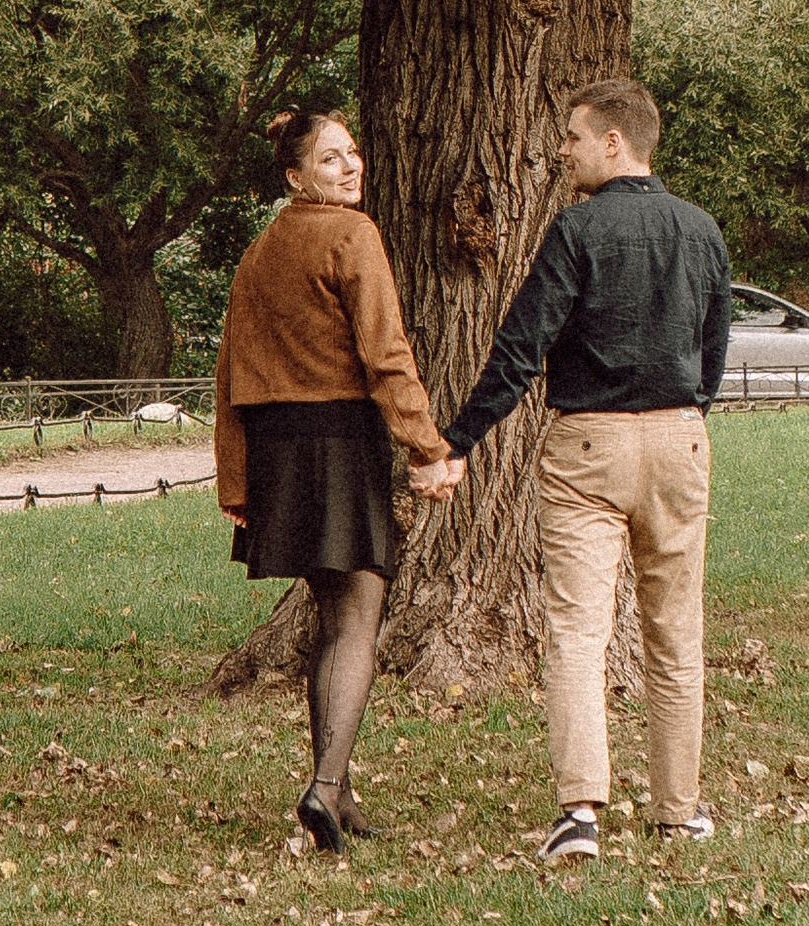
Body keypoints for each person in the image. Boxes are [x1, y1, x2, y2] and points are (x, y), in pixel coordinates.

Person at [409, 76, 729, 862]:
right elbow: (713, 352)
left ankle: (580, 812)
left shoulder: (577, 231)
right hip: (682, 438)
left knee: (580, 631)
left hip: (588, 447)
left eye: (574, 136)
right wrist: (685, 414)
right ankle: (678, 812)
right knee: (674, 632)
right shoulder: (702, 231)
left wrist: (457, 442)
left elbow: (521, 348)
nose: (562, 149)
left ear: (614, 143)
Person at [215, 106, 451, 852]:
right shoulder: (354, 235)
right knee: (359, 617)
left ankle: (339, 790)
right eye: (329, 161)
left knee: (331, 616)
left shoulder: (259, 252)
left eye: (351, 154)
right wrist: (426, 447)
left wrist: (237, 483)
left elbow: (228, 378)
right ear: (295, 177)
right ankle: (321, 787)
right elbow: (387, 354)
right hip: (339, 441)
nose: (349, 168)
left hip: (279, 450)